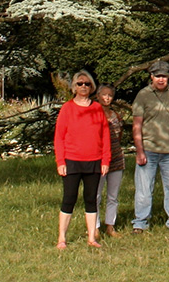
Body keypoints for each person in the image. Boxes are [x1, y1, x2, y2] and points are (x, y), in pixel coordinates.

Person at [54, 70, 110, 249]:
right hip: (72, 160)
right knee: (69, 198)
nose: (83, 86)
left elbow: (105, 135)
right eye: (80, 83)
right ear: (74, 87)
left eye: (87, 84)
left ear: (91, 86)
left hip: (94, 161)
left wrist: (105, 161)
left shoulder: (97, 108)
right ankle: (62, 238)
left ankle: (92, 238)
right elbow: (59, 137)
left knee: (91, 199)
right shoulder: (67, 108)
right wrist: (60, 162)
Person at [132, 60, 169, 233]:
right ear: (151, 77)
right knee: (144, 189)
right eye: (158, 76)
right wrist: (139, 151)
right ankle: (140, 222)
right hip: (148, 148)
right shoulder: (143, 95)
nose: (161, 79)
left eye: (164, 76)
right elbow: (137, 125)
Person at [95, 84, 125, 238]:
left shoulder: (116, 116)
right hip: (98, 159)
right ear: (98, 96)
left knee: (113, 195)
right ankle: (94, 227)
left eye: (110, 95)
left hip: (116, 158)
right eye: (104, 95)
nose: (107, 98)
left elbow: (119, 135)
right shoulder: (94, 114)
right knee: (96, 195)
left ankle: (110, 226)